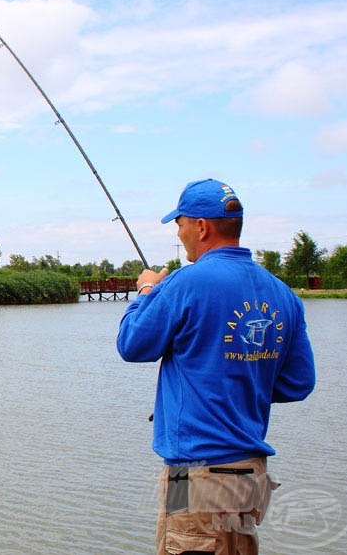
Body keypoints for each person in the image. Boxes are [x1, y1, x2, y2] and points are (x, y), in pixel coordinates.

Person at [117, 179, 316, 555]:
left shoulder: (184, 283)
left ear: (202, 227)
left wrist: (145, 291)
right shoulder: (282, 293)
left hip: (200, 476)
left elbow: (132, 344)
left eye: (180, 224)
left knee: (187, 541)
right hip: (228, 473)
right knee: (182, 541)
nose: (180, 232)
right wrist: (239, 378)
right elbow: (298, 383)